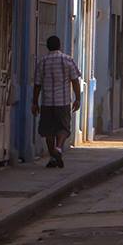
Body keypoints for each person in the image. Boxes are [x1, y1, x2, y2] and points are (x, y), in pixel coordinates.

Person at [32, 36, 81, 169]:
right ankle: (58, 149)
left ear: (48, 46)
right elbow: (75, 80)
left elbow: (37, 84)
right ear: (59, 45)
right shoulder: (67, 60)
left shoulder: (42, 62)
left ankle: (53, 157)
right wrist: (78, 98)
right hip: (63, 102)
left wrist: (34, 102)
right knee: (63, 128)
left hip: (47, 102)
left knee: (49, 131)